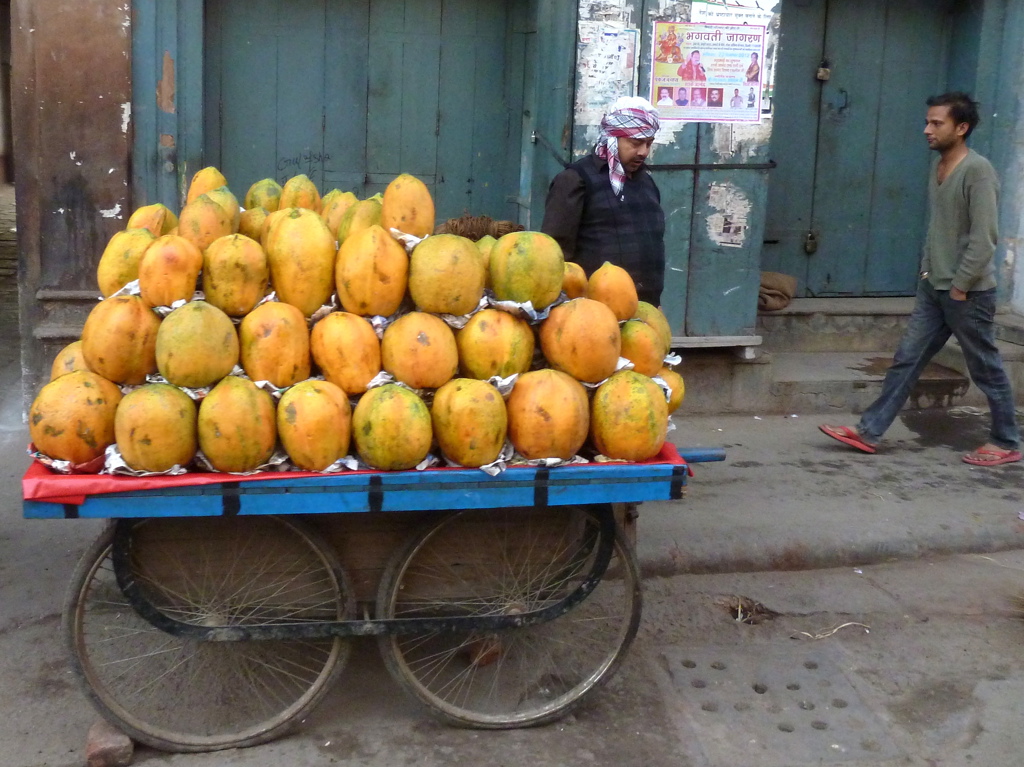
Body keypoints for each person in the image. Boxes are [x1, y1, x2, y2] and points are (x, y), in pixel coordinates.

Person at [820, 92, 1020, 466]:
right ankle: (868, 431)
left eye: (936, 123)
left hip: (968, 293)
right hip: (934, 288)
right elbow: (939, 227)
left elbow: (984, 237)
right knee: (907, 360)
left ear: (961, 128)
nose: (927, 129)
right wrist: (928, 272)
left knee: (986, 369)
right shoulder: (939, 166)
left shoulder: (978, 171)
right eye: (927, 122)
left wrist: (960, 286)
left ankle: (1006, 441)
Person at [540, 96, 665, 306]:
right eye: (635, 143)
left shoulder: (645, 181)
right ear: (612, 138)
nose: (643, 151)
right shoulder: (575, 180)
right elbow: (554, 253)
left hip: (644, 308)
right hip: (592, 311)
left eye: (649, 143)